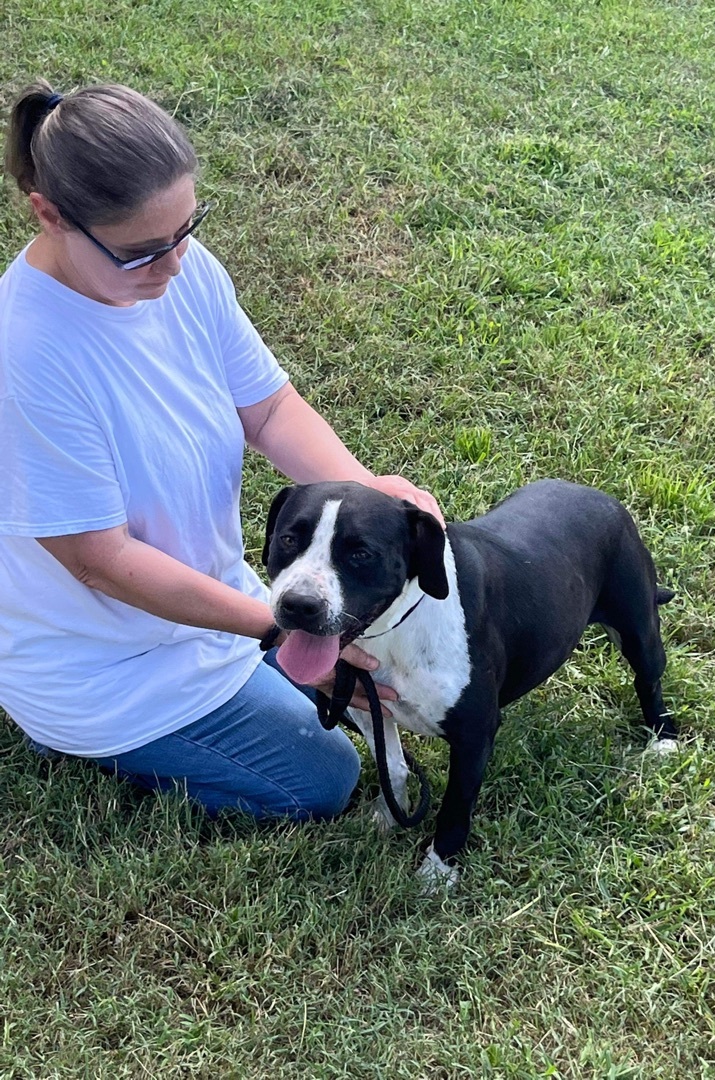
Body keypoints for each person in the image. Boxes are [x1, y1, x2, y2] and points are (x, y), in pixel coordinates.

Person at [0, 79, 443, 822]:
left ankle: (255, 667)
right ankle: (73, 738)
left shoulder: (180, 270)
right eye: (144, 251)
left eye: (186, 229)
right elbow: (99, 563)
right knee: (323, 778)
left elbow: (268, 408)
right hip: (102, 662)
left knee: (375, 676)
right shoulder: (26, 357)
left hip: (209, 600)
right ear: (48, 214)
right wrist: (279, 625)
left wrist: (372, 495)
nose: (175, 266)